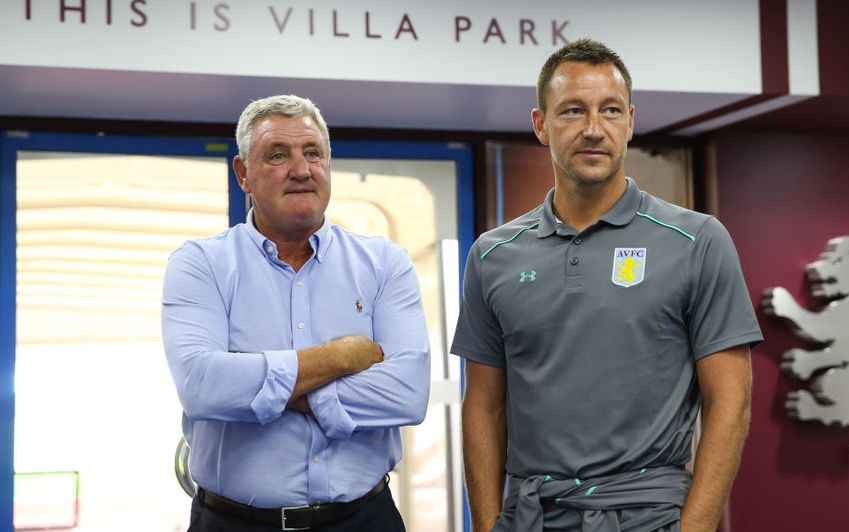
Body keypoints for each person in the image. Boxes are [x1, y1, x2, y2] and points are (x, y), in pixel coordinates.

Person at [452, 39, 762, 532]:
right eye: (573, 111)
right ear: (541, 125)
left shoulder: (697, 240)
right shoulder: (492, 255)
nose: (594, 129)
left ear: (630, 121)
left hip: (651, 517)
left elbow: (730, 403)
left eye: (610, 110)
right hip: (531, 517)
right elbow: (484, 407)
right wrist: (490, 525)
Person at [162, 94, 430, 532]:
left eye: (313, 153)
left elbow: (407, 394)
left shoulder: (384, 264)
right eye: (277, 155)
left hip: (365, 519)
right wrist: (341, 358)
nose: (302, 169)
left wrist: (261, 384)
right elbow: (202, 386)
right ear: (243, 174)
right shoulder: (201, 264)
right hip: (233, 522)